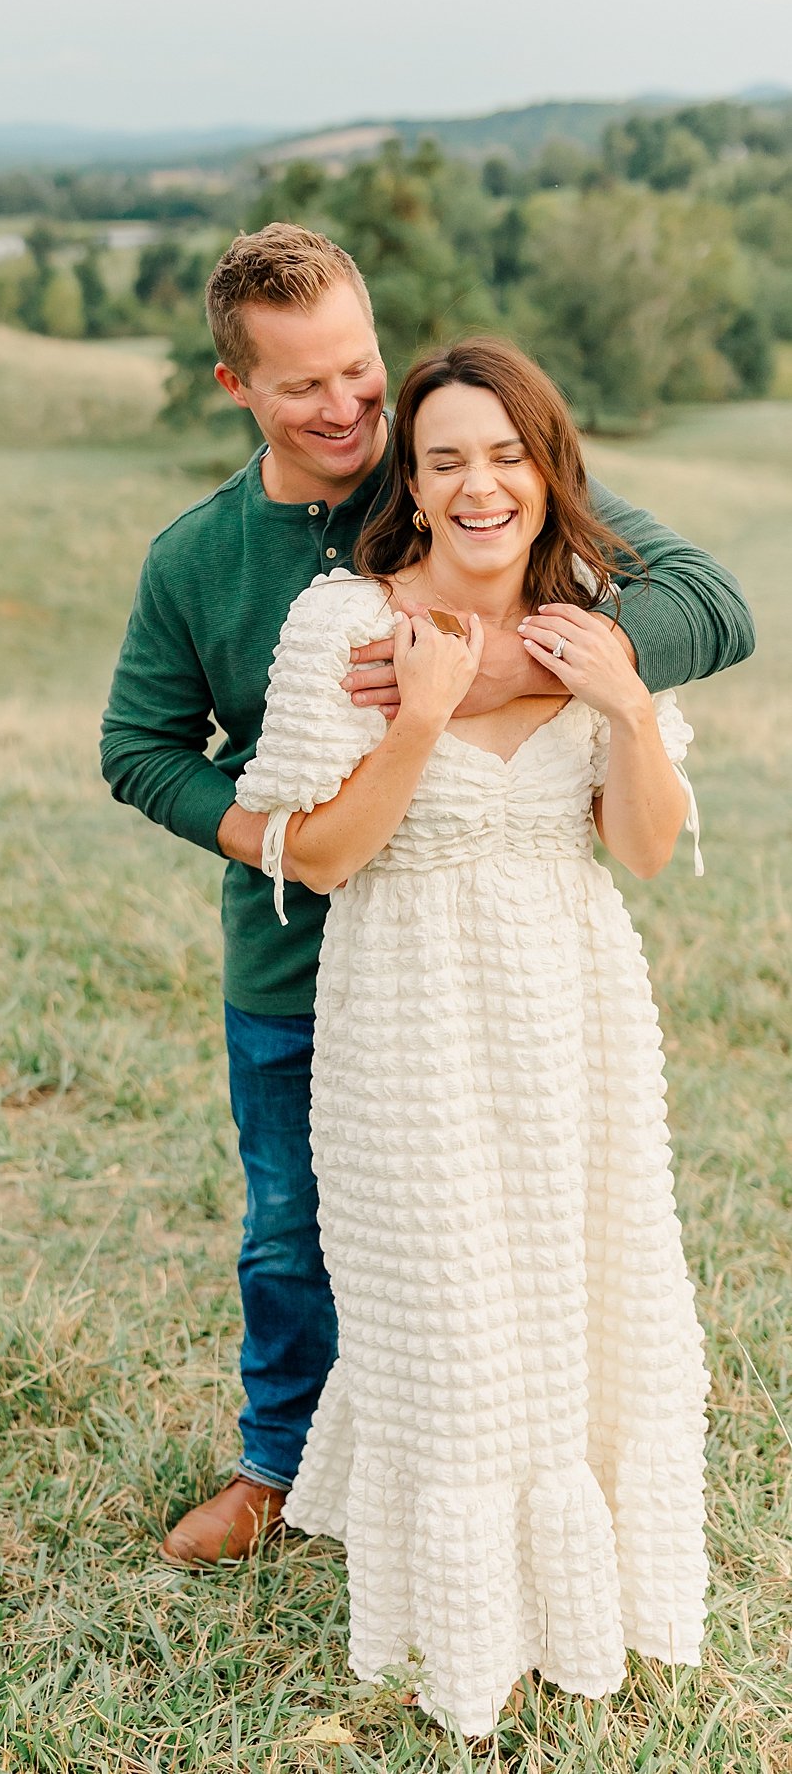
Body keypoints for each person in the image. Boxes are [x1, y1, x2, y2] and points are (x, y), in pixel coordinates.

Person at [99, 225, 753, 1571]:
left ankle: (498, 1475)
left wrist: (514, 666)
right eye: (303, 387)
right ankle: (283, 1465)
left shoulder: (466, 466)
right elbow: (137, 748)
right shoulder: (199, 558)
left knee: (500, 1227)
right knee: (295, 1228)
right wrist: (263, 832)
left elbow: (713, 603)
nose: (347, 409)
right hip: (302, 949)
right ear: (239, 389)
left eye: (360, 370)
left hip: (503, 945)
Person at [233, 334, 714, 1734]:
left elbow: (640, 846)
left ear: (546, 467)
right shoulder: (346, 628)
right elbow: (316, 858)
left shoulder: (598, 619)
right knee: (450, 1312)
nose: (479, 485)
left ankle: (589, 1598)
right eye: (446, 459)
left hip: (576, 1011)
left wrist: (623, 706)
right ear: (416, 481)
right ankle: (460, 1627)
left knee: (580, 1294)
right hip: (410, 1019)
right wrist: (422, 718)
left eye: (505, 455)